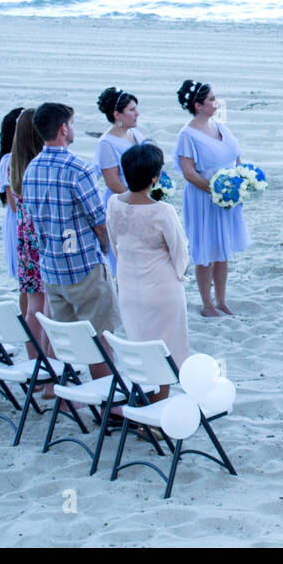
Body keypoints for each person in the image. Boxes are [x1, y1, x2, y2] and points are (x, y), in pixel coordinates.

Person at [21, 103, 119, 379]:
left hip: (51, 266)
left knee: (64, 337)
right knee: (99, 336)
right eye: (72, 123)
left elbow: (31, 217)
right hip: (82, 265)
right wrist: (103, 247)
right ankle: (107, 403)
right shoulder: (78, 169)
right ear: (64, 129)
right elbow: (99, 219)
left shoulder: (32, 169)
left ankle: (61, 392)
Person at [107, 143, 191, 396]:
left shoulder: (113, 203)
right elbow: (180, 250)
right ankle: (158, 405)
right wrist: (179, 274)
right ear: (154, 178)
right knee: (165, 348)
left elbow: (115, 244)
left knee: (139, 342)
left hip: (129, 284)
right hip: (162, 286)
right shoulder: (163, 211)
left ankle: (145, 398)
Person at [175, 80, 251, 318]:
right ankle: (207, 303)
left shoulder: (219, 126)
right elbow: (188, 172)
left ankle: (221, 299)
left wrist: (240, 180)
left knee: (223, 249)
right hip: (204, 199)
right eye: (211, 99)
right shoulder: (187, 135)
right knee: (206, 251)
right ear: (198, 105)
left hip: (227, 198)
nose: (215, 103)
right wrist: (215, 190)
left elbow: (236, 156)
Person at [8, 108, 50, 368]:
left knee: (32, 306)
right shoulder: (38, 166)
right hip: (39, 239)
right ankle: (47, 369)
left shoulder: (15, 162)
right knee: (46, 309)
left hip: (24, 239)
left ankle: (35, 362)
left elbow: (14, 205)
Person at [92, 86, 146, 276]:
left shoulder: (136, 135)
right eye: (131, 110)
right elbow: (112, 181)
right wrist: (137, 200)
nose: (137, 113)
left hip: (141, 198)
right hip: (123, 202)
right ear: (117, 114)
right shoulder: (107, 143)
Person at [0, 107, 22, 285]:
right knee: (26, 280)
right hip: (18, 220)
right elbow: (13, 204)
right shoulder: (9, 160)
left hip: (23, 219)